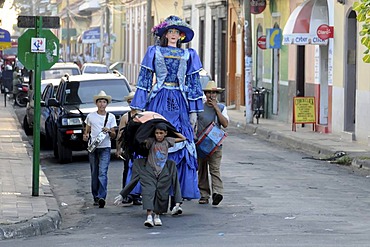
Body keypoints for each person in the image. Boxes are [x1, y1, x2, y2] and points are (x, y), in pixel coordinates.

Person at [130, 15, 204, 206]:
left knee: (183, 140)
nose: (173, 35)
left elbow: (194, 83)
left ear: (181, 36)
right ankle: (152, 192)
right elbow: (145, 78)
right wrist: (139, 106)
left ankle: (177, 194)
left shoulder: (189, 55)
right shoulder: (154, 51)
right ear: (164, 34)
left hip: (180, 100)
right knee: (154, 137)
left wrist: (194, 110)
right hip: (159, 99)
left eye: (176, 32)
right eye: (169, 31)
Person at [114, 122, 185, 227]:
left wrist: (170, 129)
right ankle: (149, 216)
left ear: (165, 133)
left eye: (161, 133)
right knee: (149, 191)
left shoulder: (167, 141)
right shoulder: (151, 141)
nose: (159, 135)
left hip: (162, 171)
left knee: (161, 193)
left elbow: (183, 138)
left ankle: (157, 216)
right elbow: (141, 140)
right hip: (150, 169)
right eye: (157, 133)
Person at [196, 81, 229, 205]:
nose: (211, 95)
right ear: (205, 94)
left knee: (215, 169)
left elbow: (225, 124)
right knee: (202, 169)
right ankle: (204, 194)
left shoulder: (221, 107)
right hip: (201, 143)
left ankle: (217, 192)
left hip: (215, 144)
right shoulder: (199, 107)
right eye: (209, 92)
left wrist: (216, 108)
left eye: (214, 92)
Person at [83, 91, 117, 208]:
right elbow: (86, 131)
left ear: (106, 104)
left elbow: (114, 135)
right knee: (94, 173)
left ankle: (102, 196)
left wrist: (109, 131)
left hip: (105, 147)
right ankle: (96, 196)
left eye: (104, 102)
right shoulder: (90, 116)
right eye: (100, 102)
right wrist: (86, 135)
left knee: (102, 172)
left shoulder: (111, 117)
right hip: (93, 147)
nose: (102, 104)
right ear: (96, 103)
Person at [115, 91, 142, 205]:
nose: (132, 103)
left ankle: (137, 195)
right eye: (130, 101)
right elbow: (120, 134)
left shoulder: (143, 115)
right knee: (127, 170)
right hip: (129, 148)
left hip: (140, 148)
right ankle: (126, 194)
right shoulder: (126, 117)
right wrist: (118, 148)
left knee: (140, 172)